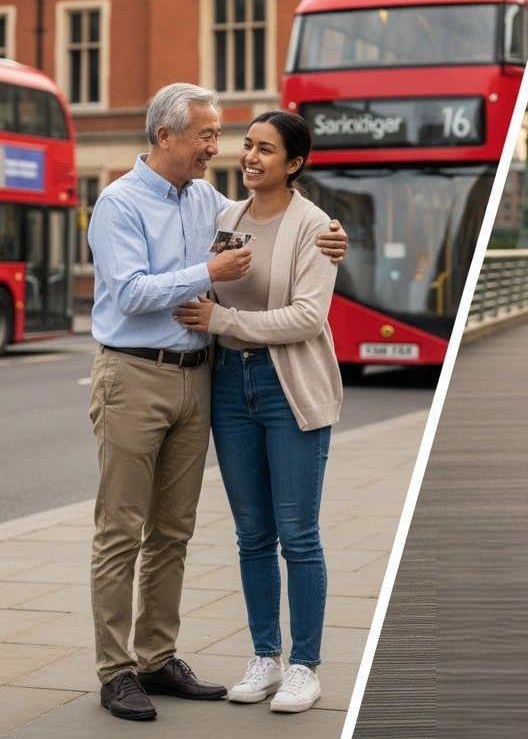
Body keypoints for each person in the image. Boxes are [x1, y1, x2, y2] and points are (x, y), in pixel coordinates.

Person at [87, 84, 347, 722]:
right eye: (209, 135)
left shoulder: (208, 201)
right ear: (165, 136)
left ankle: (158, 656)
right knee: (122, 531)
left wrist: (336, 234)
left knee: (176, 531)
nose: (222, 148)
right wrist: (210, 276)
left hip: (201, 376)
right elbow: (129, 293)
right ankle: (117, 670)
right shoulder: (119, 203)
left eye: (249, 143)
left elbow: (281, 221)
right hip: (133, 376)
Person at [174, 111, 343, 714]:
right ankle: (265, 657)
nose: (249, 156)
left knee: (298, 537)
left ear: (293, 164)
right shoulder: (228, 218)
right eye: (247, 146)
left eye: (265, 150)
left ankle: (305, 666)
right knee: (252, 537)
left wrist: (225, 322)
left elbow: (307, 317)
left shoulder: (315, 227)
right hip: (230, 387)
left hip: (289, 386)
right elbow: (209, 286)